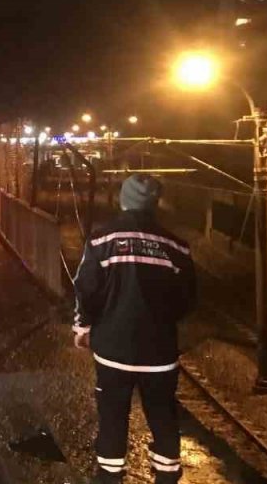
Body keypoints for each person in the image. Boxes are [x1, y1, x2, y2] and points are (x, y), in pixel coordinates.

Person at [73, 175, 196, 483]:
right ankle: (167, 472)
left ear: (122, 200)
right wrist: (161, 321)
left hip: (113, 348)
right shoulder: (177, 247)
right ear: (155, 204)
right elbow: (188, 300)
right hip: (160, 350)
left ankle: (110, 473)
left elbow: (87, 290)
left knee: (113, 410)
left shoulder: (101, 240)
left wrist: (82, 326)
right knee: (162, 410)